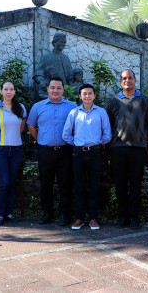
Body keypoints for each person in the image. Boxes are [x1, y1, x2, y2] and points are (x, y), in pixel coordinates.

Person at [106, 69, 148, 229]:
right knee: (120, 184)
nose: (128, 80)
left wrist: (140, 136)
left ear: (135, 80)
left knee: (135, 184)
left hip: (138, 148)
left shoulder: (145, 100)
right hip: (118, 148)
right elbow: (109, 123)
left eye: (130, 78)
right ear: (121, 81)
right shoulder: (113, 101)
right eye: (125, 78)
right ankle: (122, 217)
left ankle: (134, 217)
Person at [28, 77, 76, 226]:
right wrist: (40, 139)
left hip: (65, 151)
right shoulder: (38, 106)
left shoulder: (72, 106)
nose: (55, 90)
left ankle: (64, 214)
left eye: (59, 88)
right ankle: (47, 213)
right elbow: (31, 126)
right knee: (45, 183)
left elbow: (76, 127)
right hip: (45, 151)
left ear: (63, 89)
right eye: (52, 87)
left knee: (65, 184)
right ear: (48, 89)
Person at [62, 84, 112, 230]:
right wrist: (78, 144)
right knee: (79, 185)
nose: (87, 96)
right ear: (80, 96)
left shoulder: (101, 112)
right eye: (84, 94)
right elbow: (66, 134)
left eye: (90, 93)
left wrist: (96, 144)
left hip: (95, 153)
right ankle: (79, 218)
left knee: (94, 185)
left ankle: (93, 218)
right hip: (78, 152)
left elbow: (107, 134)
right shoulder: (74, 113)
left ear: (94, 96)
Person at [0, 81, 27, 225]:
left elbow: (21, 128)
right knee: (4, 182)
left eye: (11, 89)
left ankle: (9, 213)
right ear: (1, 91)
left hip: (16, 149)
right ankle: (0, 214)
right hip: (1, 150)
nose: (9, 92)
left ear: (15, 92)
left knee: (11, 182)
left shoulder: (21, 108)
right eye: (6, 89)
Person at [33, 33, 74, 98]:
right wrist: (41, 81)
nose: (63, 44)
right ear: (54, 43)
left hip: (65, 92)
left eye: (64, 42)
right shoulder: (47, 57)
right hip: (50, 92)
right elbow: (38, 72)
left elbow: (71, 76)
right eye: (61, 42)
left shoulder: (66, 59)